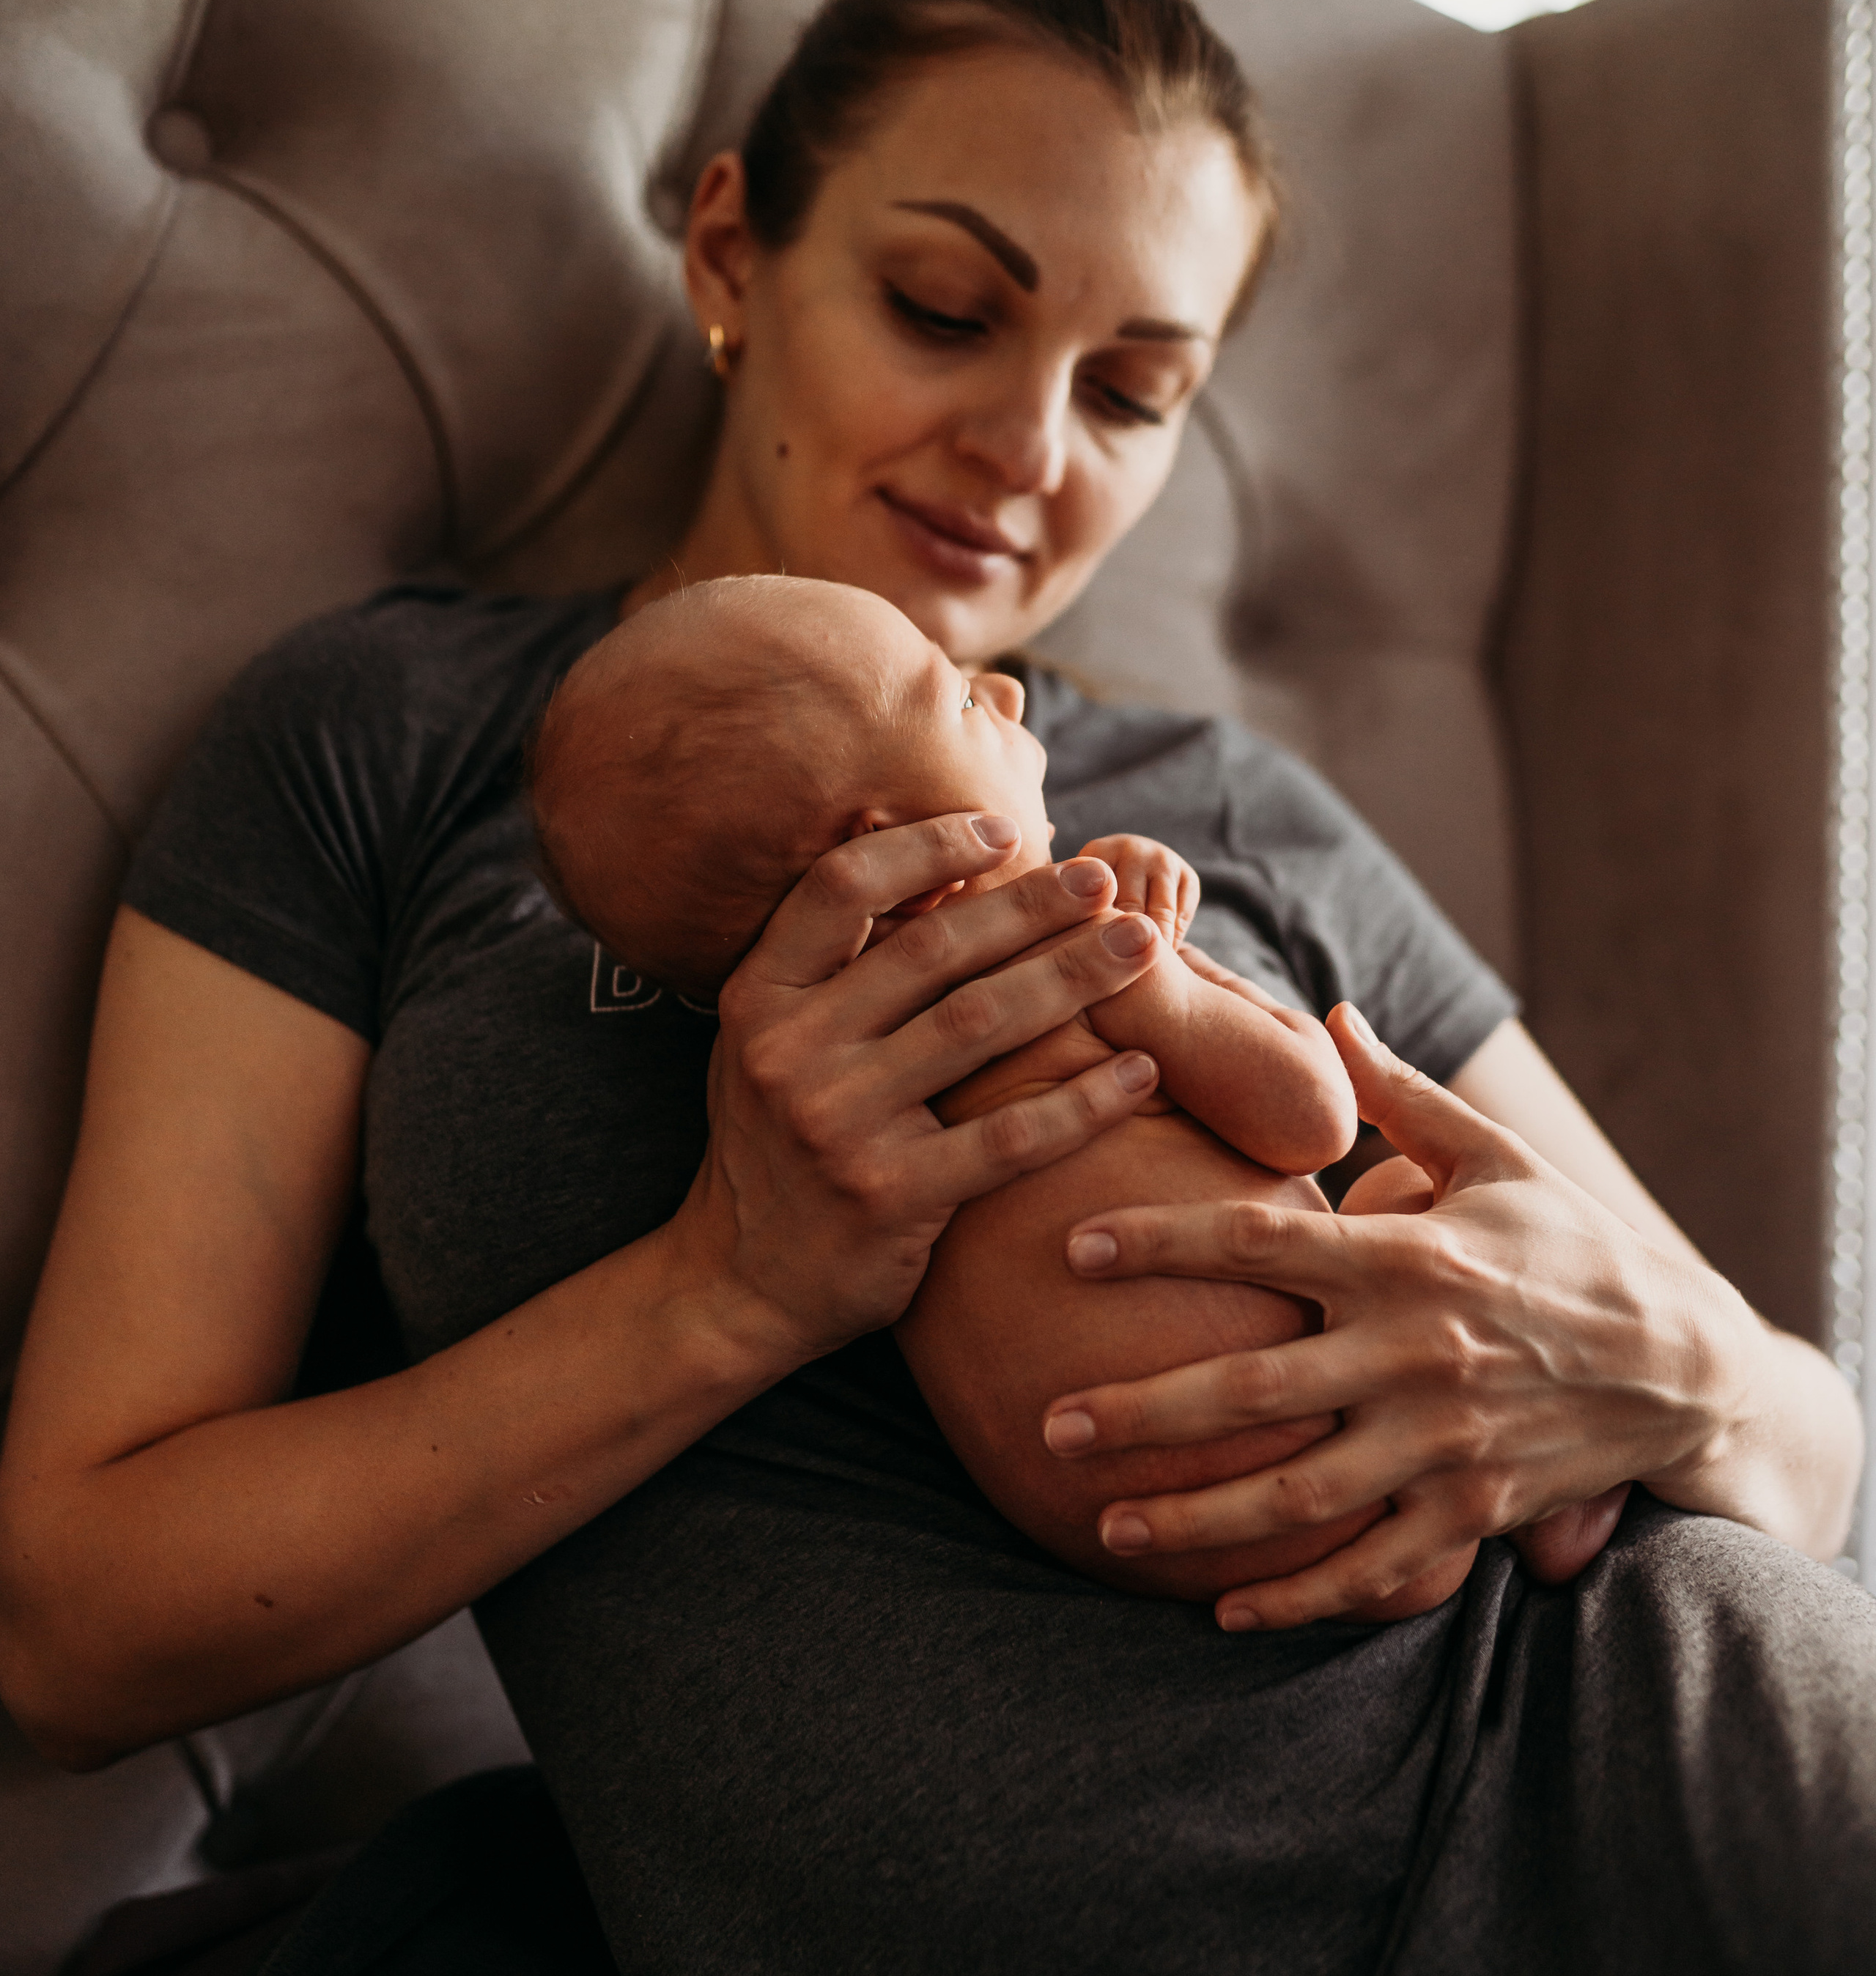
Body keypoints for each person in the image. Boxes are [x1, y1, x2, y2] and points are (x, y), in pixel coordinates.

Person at [0, 0, 1870, 1976]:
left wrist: (1653, 1366)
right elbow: (72, 1614)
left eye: (1137, 386)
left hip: (1635, 1775)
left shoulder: (1237, 821)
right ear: (738, 253)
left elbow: (1807, 1447)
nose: (1029, 445)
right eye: (946, 304)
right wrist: (720, 1291)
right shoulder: (402, 741)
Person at [528, 569, 1621, 1613]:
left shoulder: (823, 1112)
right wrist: (1164, 971)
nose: (1005, 689)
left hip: (1136, 1534)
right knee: (1393, 1201)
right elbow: (1315, 1120)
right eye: (953, 697)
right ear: (902, 854)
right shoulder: (1083, 971)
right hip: (1349, 1452)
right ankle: (1563, 1500)